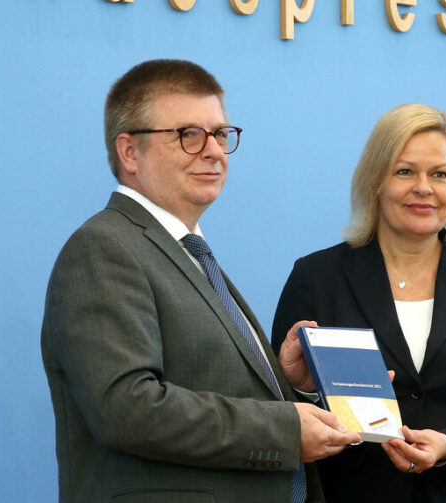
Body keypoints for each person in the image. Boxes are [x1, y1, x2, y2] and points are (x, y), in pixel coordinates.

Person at [41, 59, 361, 503]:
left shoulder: (188, 251)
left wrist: (289, 383)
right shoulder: (103, 248)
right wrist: (285, 427)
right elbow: (126, 409)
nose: (213, 151)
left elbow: (211, 384)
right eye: (188, 135)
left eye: (221, 134)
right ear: (130, 152)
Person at [271, 104, 446, 502]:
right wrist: (301, 388)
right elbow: (274, 408)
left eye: (440, 174)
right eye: (405, 171)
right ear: (375, 181)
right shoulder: (316, 277)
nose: (424, 187)